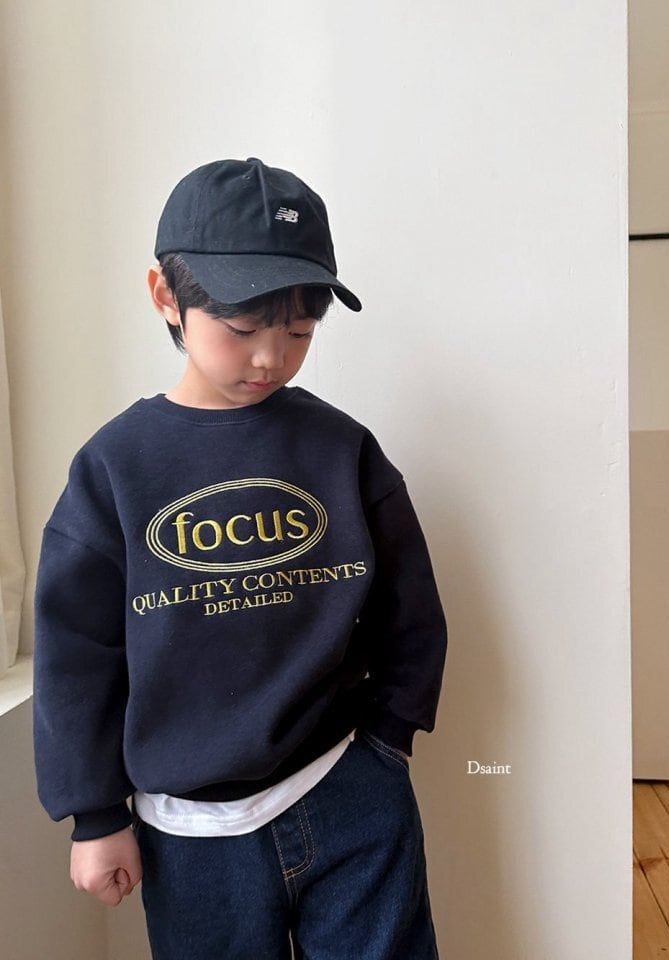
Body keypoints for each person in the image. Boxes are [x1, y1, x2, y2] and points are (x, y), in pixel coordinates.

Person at [33, 157, 447, 960]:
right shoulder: (115, 469)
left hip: (347, 790)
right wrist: (95, 815)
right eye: (242, 329)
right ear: (166, 296)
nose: (270, 359)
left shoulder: (341, 450)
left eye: (298, 333)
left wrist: (389, 739)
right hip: (188, 835)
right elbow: (75, 654)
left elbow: (411, 605)